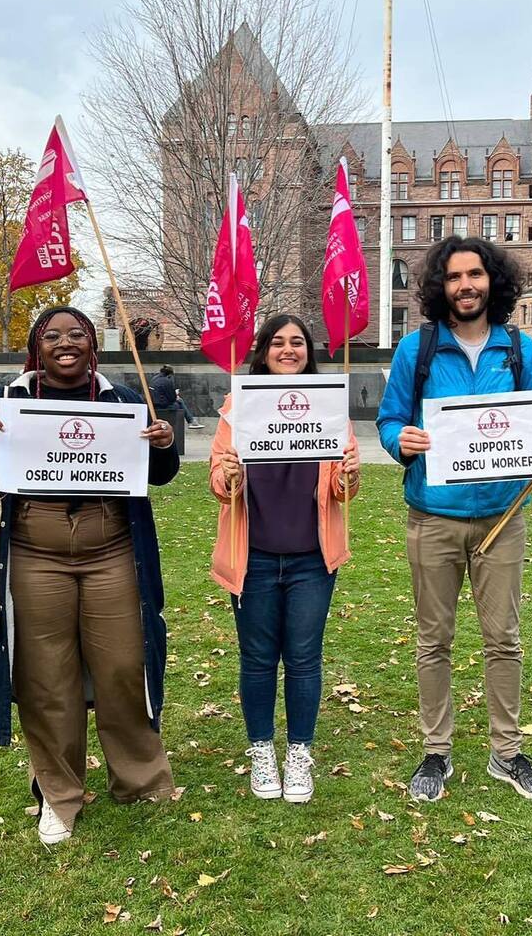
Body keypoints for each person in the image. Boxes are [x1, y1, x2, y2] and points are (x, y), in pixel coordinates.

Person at [0, 306, 180, 846]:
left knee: (122, 664)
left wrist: (163, 446)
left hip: (111, 549)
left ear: (94, 345)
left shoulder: (123, 400)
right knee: (46, 675)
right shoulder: (7, 398)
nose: (66, 343)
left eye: (77, 335)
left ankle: (139, 778)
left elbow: (160, 474)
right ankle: (58, 792)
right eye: (53, 335)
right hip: (35, 554)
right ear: (36, 346)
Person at [376, 236, 532, 804]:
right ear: (439, 286)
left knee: (503, 640)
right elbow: (389, 419)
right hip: (433, 517)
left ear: (494, 281)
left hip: (501, 518)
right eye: (454, 277)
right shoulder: (416, 351)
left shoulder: (518, 349)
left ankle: (507, 753)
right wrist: (402, 440)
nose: (465, 286)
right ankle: (435, 751)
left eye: (475, 275)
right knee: (433, 640)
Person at [209, 314, 360, 804]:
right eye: (278, 342)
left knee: (303, 658)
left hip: (311, 561)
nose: (289, 349)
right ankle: (261, 750)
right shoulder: (238, 405)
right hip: (251, 556)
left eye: (298, 342)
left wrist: (351, 475)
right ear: (264, 351)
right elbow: (218, 483)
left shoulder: (329, 406)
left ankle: (298, 751)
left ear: (309, 352)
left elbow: (341, 488)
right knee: (256, 660)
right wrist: (228, 473)